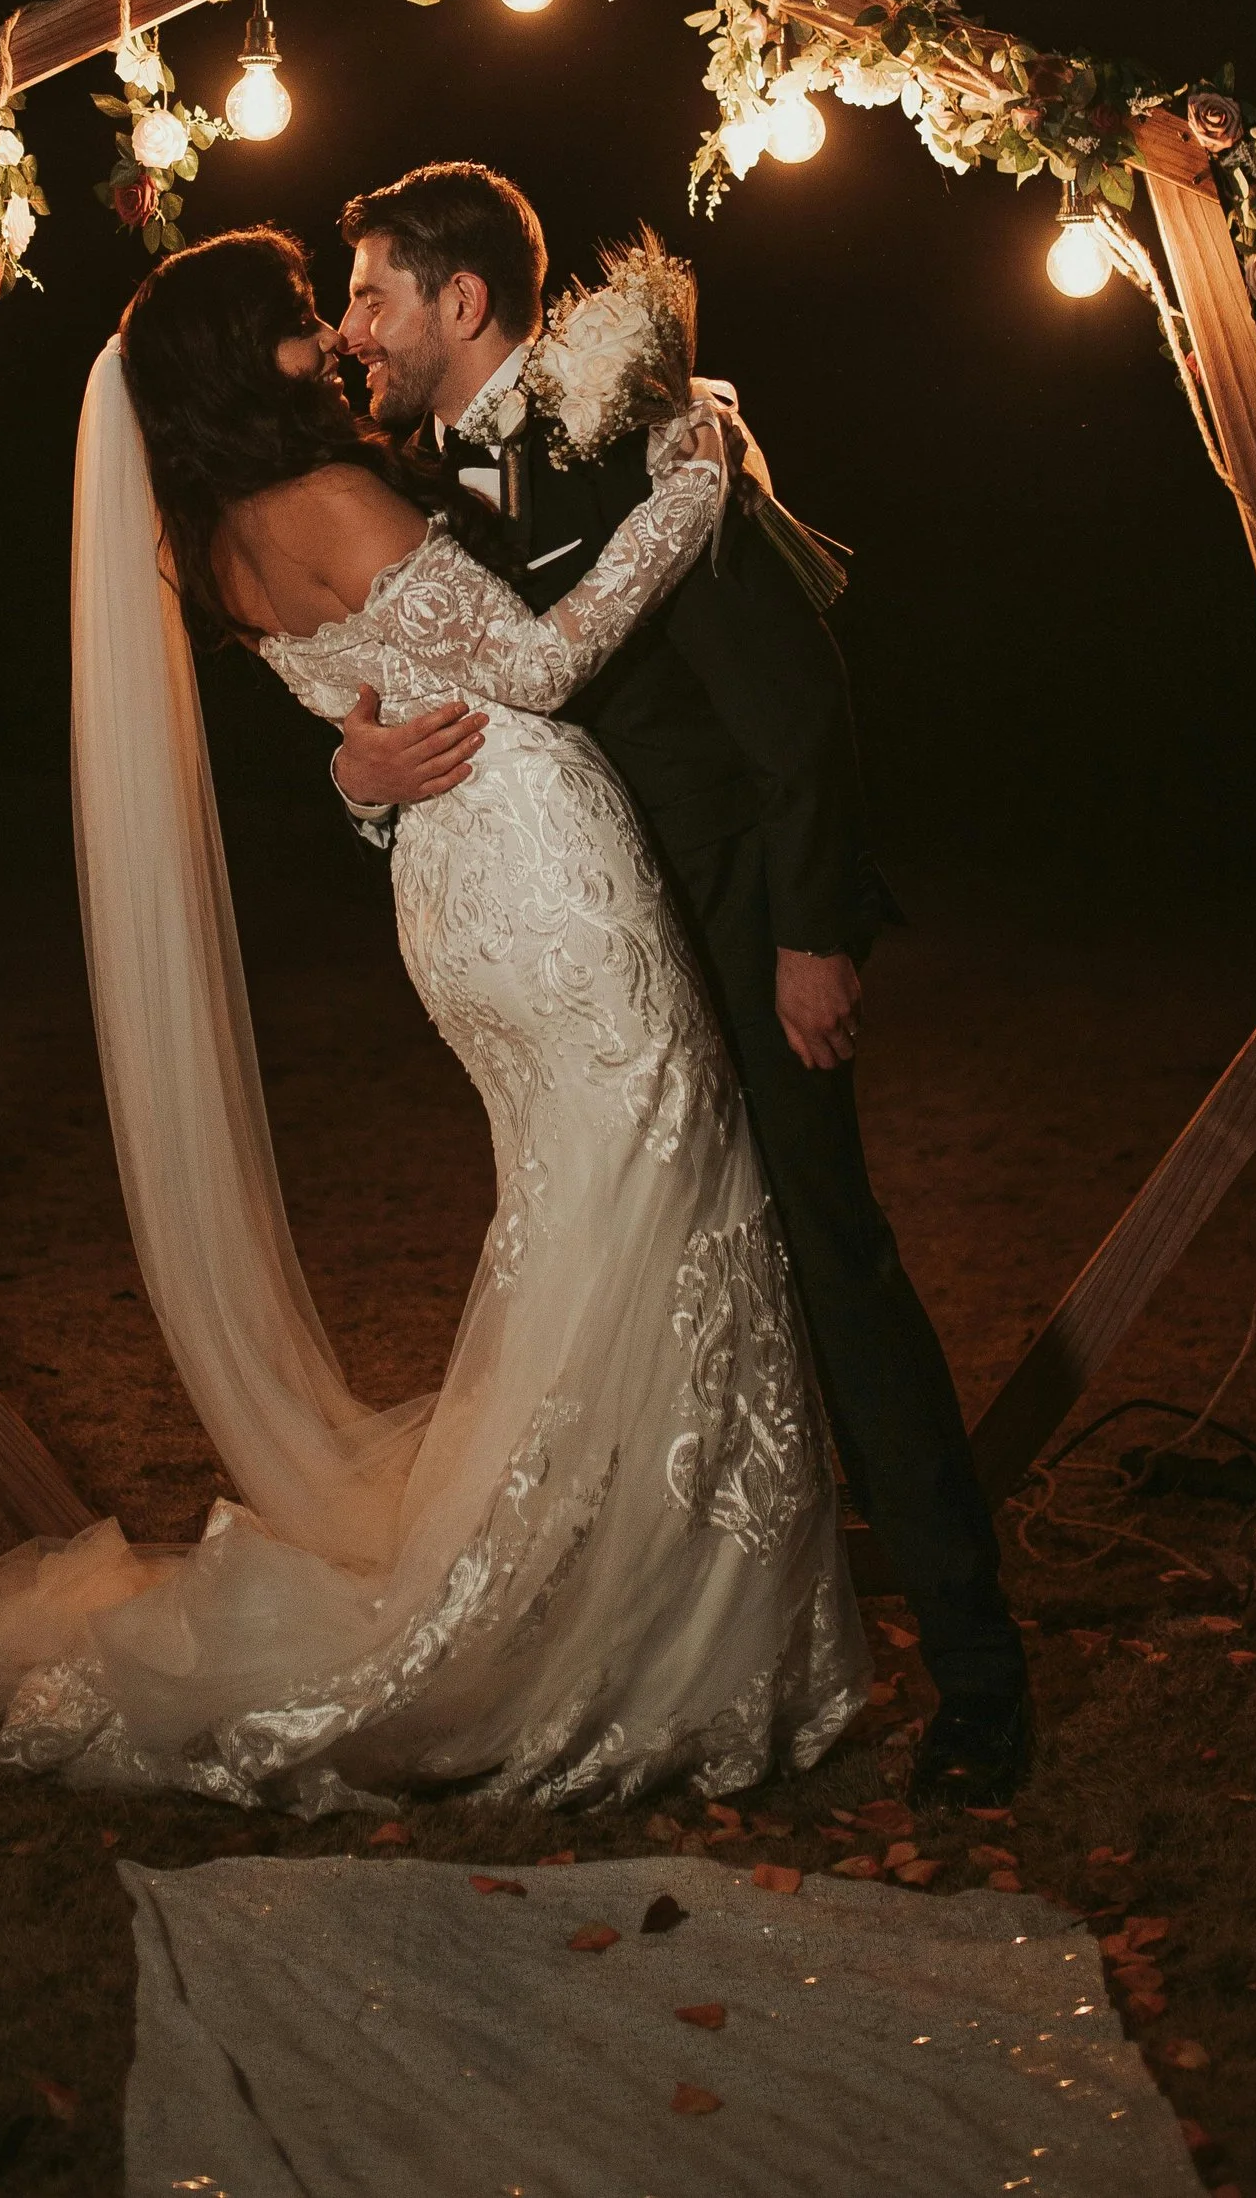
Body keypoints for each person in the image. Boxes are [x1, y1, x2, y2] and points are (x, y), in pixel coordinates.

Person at [0, 226, 866, 1814]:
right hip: (550, 884)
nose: (330, 340)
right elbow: (538, 665)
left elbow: (377, 695)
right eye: (292, 327)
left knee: (590, 1228)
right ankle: (620, 1627)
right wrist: (698, 482)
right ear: (225, 365)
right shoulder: (332, 500)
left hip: (450, 900)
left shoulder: (208, 543)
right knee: (663, 1206)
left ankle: (625, 1586)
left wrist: (351, 778)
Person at [330, 162, 1030, 1804]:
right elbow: (396, 705)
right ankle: (674, 1641)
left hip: (728, 922)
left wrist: (809, 932)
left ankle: (980, 1667)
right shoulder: (393, 487)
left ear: (462, 299)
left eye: (370, 290)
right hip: (586, 953)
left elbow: (795, 699)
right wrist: (360, 780)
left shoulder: (637, 432)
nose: (349, 324)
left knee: (830, 1259)